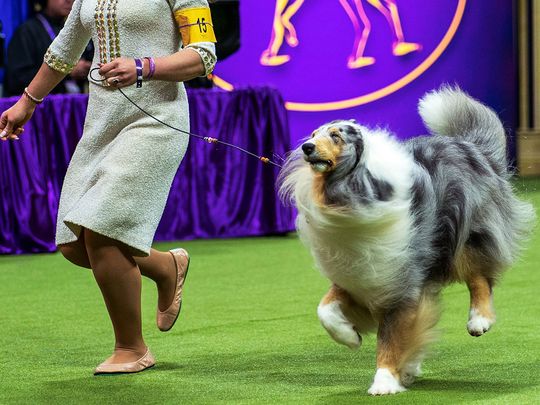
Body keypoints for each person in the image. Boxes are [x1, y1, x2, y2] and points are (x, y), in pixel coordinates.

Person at [0, 0, 217, 374]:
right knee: (74, 243)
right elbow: (64, 49)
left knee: (100, 231)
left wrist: (143, 66)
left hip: (158, 121)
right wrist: (27, 103)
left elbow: (203, 56)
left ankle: (131, 348)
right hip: (101, 124)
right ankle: (166, 266)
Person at [4, 0, 93, 96]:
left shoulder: (79, 30)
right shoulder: (26, 32)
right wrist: (67, 72)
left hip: (75, 104)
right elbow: (17, 80)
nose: (69, 1)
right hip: (43, 106)